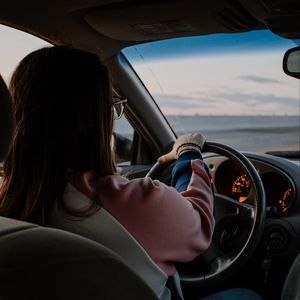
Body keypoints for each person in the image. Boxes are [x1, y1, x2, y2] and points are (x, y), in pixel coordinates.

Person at [0, 46, 261, 300]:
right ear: (95, 120)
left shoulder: (8, 205)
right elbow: (200, 224)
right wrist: (190, 153)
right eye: (112, 107)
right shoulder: (133, 202)